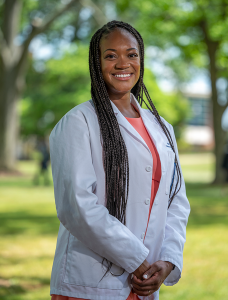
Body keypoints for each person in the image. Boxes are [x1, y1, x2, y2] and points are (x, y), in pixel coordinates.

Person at [49, 21, 190, 300]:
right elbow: (77, 206)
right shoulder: (78, 122)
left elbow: (176, 201)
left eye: (132, 54)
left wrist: (168, 261)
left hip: (145, 282)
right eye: (111, 55)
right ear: (96, 63)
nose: (122, 63)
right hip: (90, 284)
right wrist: (137, 259)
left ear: (141, 60)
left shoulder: (162, 127)